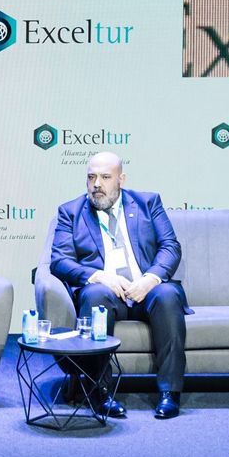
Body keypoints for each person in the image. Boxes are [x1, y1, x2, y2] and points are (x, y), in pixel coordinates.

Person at [48, 151, 189, 419]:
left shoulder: (148, 203)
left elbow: (170, 247)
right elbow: (59, 261)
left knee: (168, 294)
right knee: (95, 295)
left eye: (105, 177)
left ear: (121, 179)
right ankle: (100, 392)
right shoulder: (71, 212)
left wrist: (150, 279)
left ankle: (170, 393)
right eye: (91, 177)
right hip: (108, 291)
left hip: (147, 290)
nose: (96, 184)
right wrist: (100, 276)